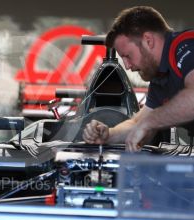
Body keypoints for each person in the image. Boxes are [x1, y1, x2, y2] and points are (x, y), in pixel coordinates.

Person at [82, 6, 194, 152]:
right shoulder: (160, 78)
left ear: (148, 40)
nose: (127, 66)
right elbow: (137, 123)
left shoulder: (187, 47)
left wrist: (150, 121)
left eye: (127, 56)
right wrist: (108, 135)